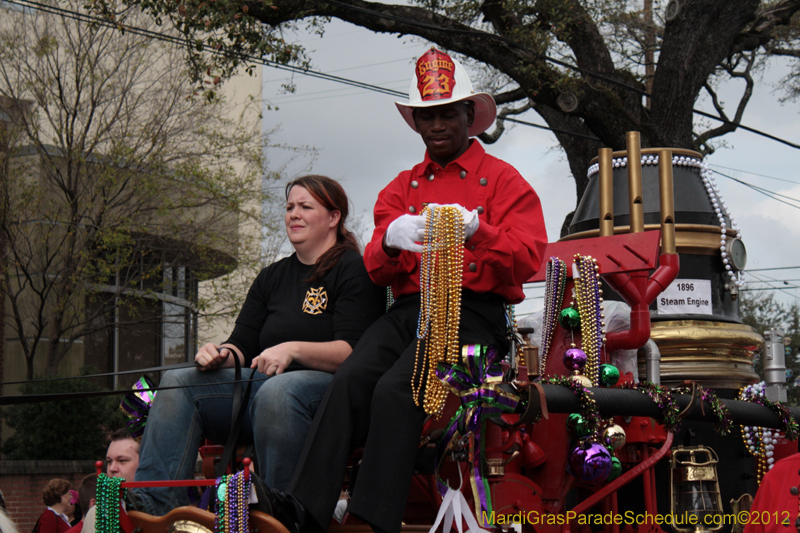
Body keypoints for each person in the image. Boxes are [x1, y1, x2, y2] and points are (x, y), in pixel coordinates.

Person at [263, 48, 547, 533]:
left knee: (400, 388)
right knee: (349, 381)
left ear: (467, 116)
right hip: (409, 310)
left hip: (473, 315)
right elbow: (375, 271)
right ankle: (304, 511)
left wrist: (479, 230)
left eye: (445, 114)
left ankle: (370, 521)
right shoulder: (401, 186)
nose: (435, 125)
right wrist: (390, 242)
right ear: (415, 122)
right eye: (425, 116)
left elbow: (529, 257)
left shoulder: (503, 180)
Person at [132, 175, 386, 516]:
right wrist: (219, 355)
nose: (293, 214)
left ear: (333, 218)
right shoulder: (272, 277)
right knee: (179, 380)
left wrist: (293, 349)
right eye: (289, 207)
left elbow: (354, 353)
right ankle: (157, 510)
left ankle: (279, 514)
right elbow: (241, 344)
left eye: (305, 207)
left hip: (331, 398)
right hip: (263, 392)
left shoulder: (355, 269)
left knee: (279, 391)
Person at [80, 429, 140, 533]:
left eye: (122, 461)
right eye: (109, 461)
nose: (112, 468)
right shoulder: (97, 514)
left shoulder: (165, 508)